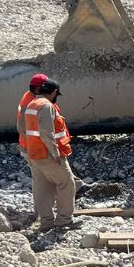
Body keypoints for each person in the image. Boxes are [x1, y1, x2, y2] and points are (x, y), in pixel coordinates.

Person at [22, 80, 82, 231]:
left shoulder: (32, 104)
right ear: (54, 92)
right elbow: (46, 132)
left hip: (34, 154)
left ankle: (47, 223)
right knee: (67, 184)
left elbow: (23, 129)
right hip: (48, 154)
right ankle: (64, 221)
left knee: (43, 187)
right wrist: (55, 153)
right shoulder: (46, 105)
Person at [17, 73, 48, 156]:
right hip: (32, 147)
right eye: (46, 86)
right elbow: (22, 128)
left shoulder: (31, 95)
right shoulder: (30, 103)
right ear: (38, 88)